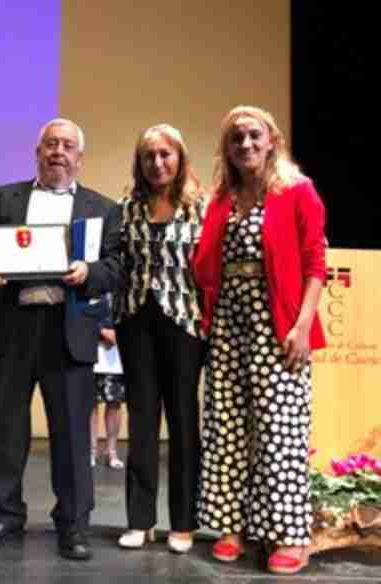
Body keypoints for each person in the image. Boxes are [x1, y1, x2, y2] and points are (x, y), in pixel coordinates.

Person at [0, 118, 121, 560]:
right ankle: (3, 516)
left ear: (79, 157)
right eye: (50, 144)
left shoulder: (103, 208)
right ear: (38, 152)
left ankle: (73, 525)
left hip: (67, 329)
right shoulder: (5, 197)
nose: (58, 151)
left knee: (73, 433)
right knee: (7, 428)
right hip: (13, 327)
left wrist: (89, 272)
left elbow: (115, 266)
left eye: (67, 145)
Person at [192, 106, 326, 575]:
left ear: (272, 140)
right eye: (236, 139)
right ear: (226, 150)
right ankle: (232, 526)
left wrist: (303, 324)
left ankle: (289, 534)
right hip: (229, 320)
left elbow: (315, 263)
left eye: (254, 136)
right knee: (226, 422)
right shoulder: (223, 198)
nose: (245, 144)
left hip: (279, 320)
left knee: (278, 427)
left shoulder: (297, 192)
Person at [87, 124, 206, 553]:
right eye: (149, 156)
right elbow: (114, 268)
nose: (157, 163)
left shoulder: (201, 207)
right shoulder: (126, 208)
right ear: (140, 163)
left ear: (180, 158)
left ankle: (184, 523)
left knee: (183, 423)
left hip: (185, 326)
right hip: (135, 323)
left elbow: (210, 271)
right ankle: (140, 520)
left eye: (165, 155)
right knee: (141, 421)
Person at [90, 295, 125, 470]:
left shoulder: (122, 285)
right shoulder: (92, 278)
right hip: (92, 352)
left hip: (116, 356)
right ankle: (92, 450)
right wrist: (101, 331)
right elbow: (82, 313)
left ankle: (112, 452)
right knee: (91, 404)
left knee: (115, 404)